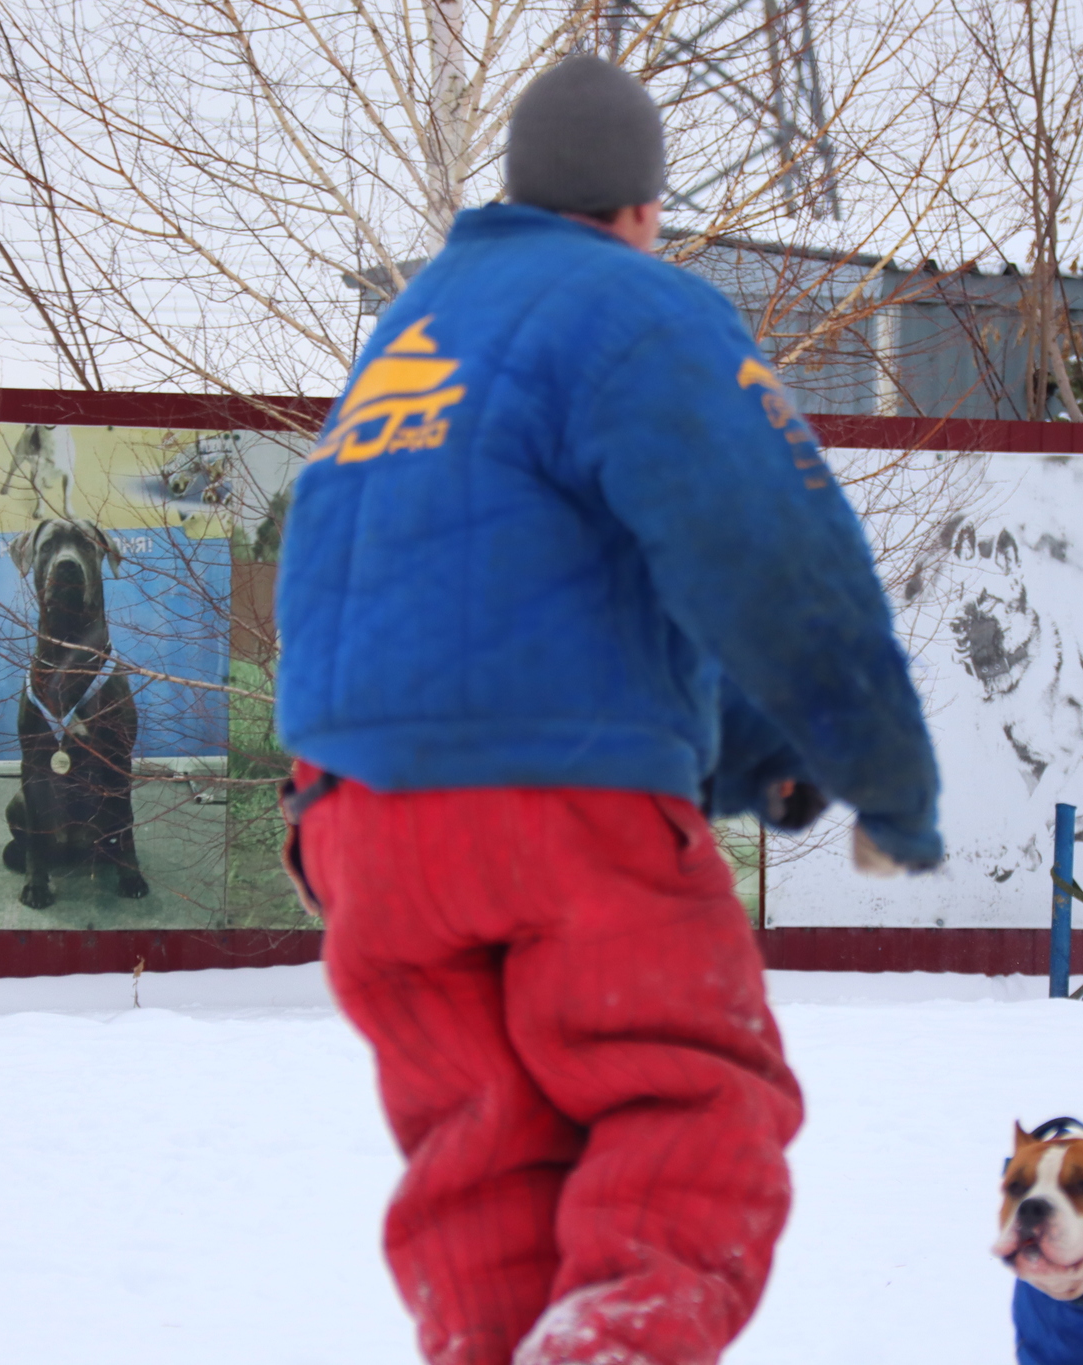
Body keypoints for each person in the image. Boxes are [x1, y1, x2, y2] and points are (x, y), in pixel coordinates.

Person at [273, 54, 941, 1365]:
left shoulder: (406, 339)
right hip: (557, 810)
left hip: (362, 825)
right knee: (691, 1097)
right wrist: (884, 768)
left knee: (487, 1154)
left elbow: (519, 586)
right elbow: (762, 548)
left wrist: (764, 751)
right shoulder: (638, 309)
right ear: (644, 206)